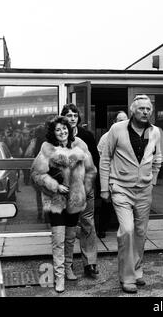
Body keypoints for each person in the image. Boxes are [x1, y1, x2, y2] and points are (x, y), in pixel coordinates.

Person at [100, 95, 162, 294]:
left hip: (144, 190)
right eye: (141, 108)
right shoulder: (117, 129)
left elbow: (157, 157)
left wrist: (153, 179)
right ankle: (127, 278)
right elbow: (105, 158)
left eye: (148, 109)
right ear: (133, 110)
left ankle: (136, 270)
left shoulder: (155, 132)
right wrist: (104, 188)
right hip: (120, 188)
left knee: (141, 233)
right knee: (126, 230)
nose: (145, 112)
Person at [30, 116, 97, 293]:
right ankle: (59, 277)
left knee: (69, 238)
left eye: (65, 128)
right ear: (53, 132)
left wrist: (83, 189)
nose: (62, 132)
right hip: (56, 202)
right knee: (58, 240)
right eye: (58, 129)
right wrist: (55, 186)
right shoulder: (47, 149)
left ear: (69, 129)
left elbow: (91, 171)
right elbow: (37, 175)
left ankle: (68, 268)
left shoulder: (80, 147)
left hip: (75, 201)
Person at [61, 103, 101, 278]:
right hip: (66, 190)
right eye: (69, 115)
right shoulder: (56, 137)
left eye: (75, 115)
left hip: (85, 189)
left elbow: (95, 163)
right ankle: (66, 264)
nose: (72, 118)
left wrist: (91, 186)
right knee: (67, 227)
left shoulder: (87, 137)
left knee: (88, 224)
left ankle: (90, 263)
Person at [96, 110, 128, 238]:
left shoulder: (132, 135)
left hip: (127, 177)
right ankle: (102, 229)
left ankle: (126, 230)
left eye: (126, 119)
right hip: (112, 176)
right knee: (107, 205)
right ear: (114, 122)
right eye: (120, 120)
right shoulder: (106, 137)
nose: (124, 122)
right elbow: (102, 158)